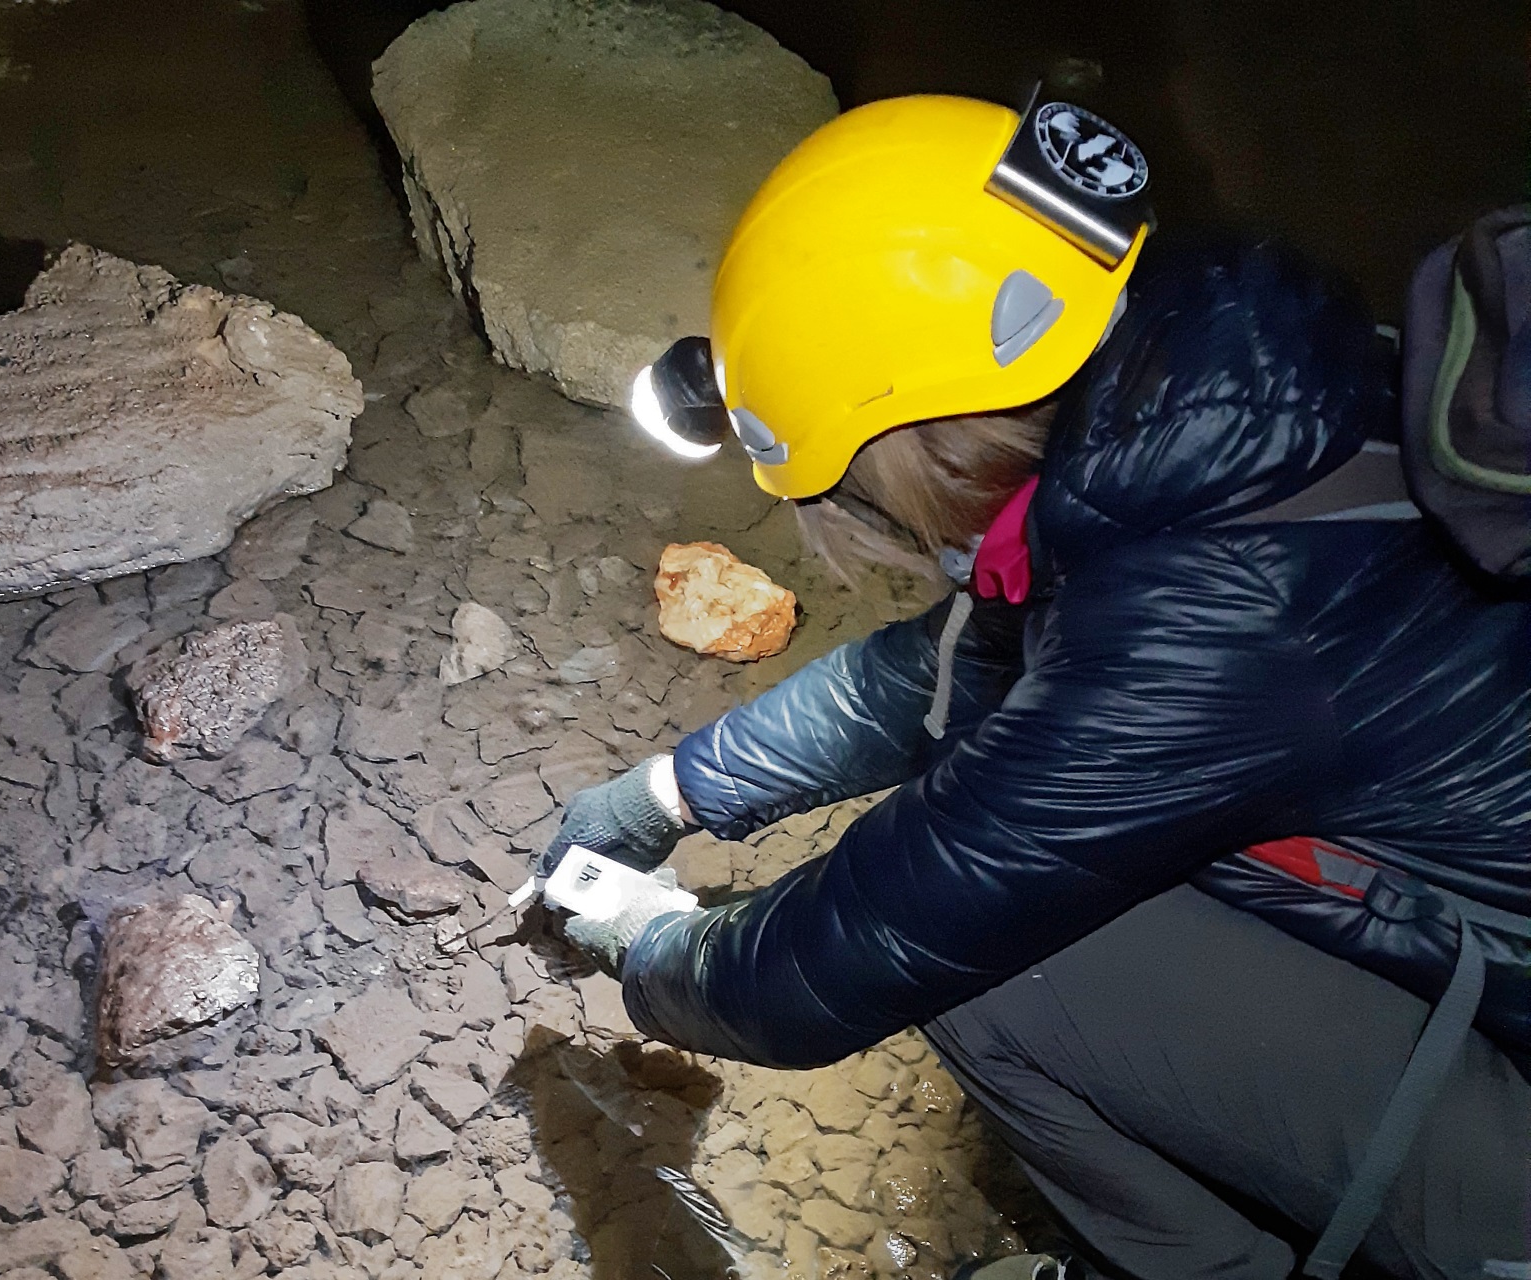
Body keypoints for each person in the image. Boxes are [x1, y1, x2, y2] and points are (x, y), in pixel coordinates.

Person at [543, 90, 1531, 1280]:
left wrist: (649, 944)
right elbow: (962, 670)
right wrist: (673, 791)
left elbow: (826, 968)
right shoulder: (1230, 399)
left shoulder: (1206, 622)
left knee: (996, 966)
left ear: (911, 455)